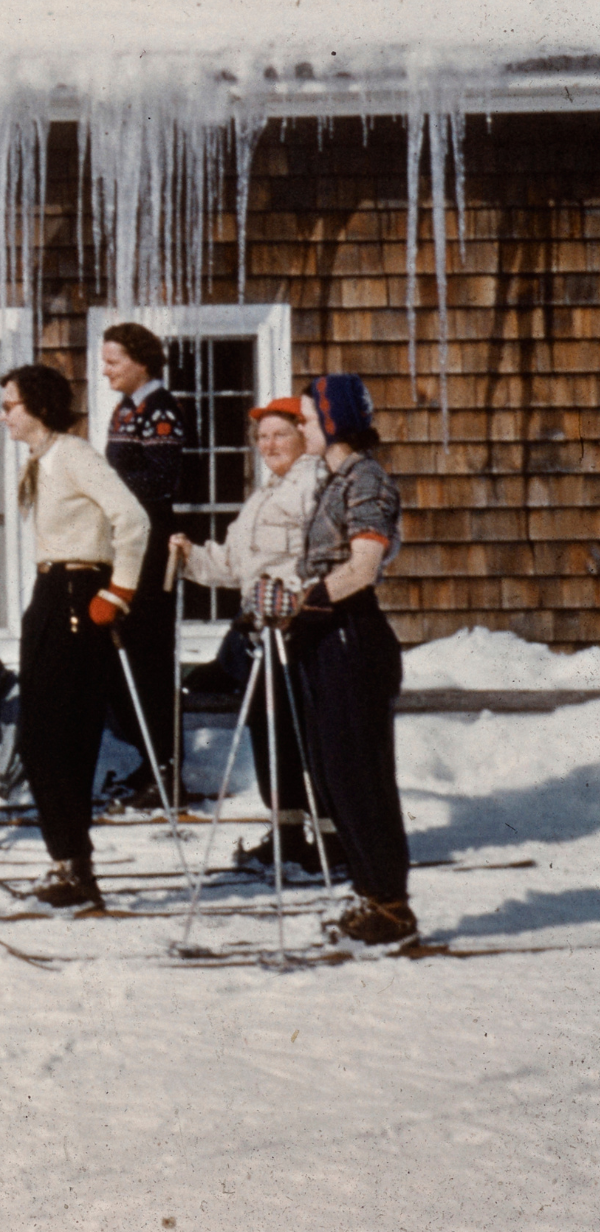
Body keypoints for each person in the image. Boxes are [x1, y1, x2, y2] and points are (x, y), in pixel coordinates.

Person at [270, 374, 416, 947]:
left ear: (333, 422)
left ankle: (391, 904)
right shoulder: (334, 479)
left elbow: (362, 566)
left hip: (353, 637)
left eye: (307, 419)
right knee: (334, 773)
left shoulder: (366, 478)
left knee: (360, 775)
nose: (301, 428)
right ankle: (369, 892)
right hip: (324, 636)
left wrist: (303, 601)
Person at [0, 363, 150, 910]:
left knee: (60, 736)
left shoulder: (76, 454)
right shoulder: (44, 460)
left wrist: (120, 591)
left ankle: (75, 868)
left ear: (37, 405)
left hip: (77, 595)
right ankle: (66, 859)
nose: (3, 416)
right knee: (39, 738)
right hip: (49, 595)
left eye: (10, 404)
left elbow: (132, 520)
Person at [170, 398, 327, 873]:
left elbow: (325, 558)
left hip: (297, 631)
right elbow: (238, 565)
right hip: (259, 633)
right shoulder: (267, 493)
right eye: (262, 436)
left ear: (304, 436)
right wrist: (191, 557)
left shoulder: (316, 485)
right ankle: (285, 833)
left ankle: (333, 839)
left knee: (303, 736)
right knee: (269, 732)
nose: (268, 444)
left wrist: (297, 600)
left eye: (280, 434)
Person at [98, 321, 190, 810]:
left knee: (150, 658)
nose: (106, 369)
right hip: (128, 541)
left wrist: (102, 488)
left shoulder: (161, 410)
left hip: (152, 546)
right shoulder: (126, 409)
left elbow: (157, 483)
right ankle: (149, 759)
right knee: (126, 655)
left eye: (114, 361)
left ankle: (169, 770)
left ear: (141, 361)